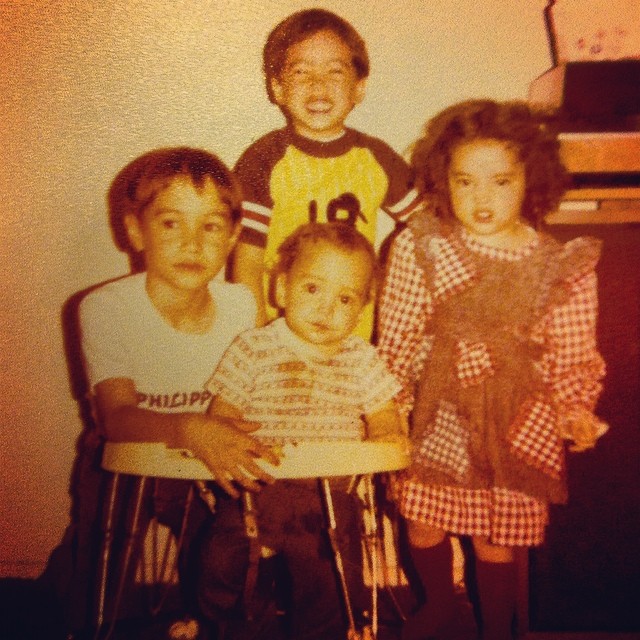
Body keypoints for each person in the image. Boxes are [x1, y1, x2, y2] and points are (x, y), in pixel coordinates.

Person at [377, 100, 608, 640]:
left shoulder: (559, 265)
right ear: (444, 181)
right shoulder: (422, 245)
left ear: (531, 180)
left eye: (500, 181)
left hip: (514, 415)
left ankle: (496, 624)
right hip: (441, 407)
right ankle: (438, 602)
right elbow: (398, 332)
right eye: (465, 182)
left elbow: (572, 350)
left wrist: (574, 409)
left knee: (494, 535)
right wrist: (386, 407)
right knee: (422, 515)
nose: (481, 198)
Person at [79, 147, 280, 635]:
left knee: (250, 524)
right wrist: (190, 427)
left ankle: (227, 612)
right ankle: (92, 616)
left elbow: (256, 395)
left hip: (210, 457)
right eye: (171, 224)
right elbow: (116, 417)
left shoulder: (239, 305)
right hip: (128, 455)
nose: (192, 242)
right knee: (96, 565)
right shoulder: (105, 308)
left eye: (211, 227)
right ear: (134, 231)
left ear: (233, 237)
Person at [198, 222, 408, 640]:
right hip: (252, 489)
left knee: (332, 583)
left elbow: (384, 415)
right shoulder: (252, 348)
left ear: (363, 307)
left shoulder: (362, 359)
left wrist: (387, 439)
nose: (327, 308)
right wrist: (220, 443)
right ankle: (232, 628)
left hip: (327, 498)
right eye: (313, 289)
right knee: (222, 567)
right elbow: (222, 417)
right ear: (281, 289)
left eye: (345, 298)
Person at [232, 8, 420, 333]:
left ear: (358, 89)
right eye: (301, 72)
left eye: (335, 72)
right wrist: (257, 337)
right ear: (277, 88)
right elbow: (246, 261)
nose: (318, 85)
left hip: (352, 333)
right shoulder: (262, 159)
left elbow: (428, 227)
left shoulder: (377, 158)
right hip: (279, 330)